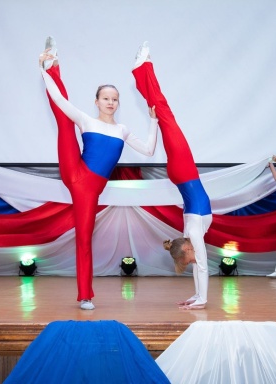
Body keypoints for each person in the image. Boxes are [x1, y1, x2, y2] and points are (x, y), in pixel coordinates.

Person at [38, 37, 158, 310]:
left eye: (115, 99)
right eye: (106, 98)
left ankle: (85, 296)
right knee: (64, 121)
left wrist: (153, 121)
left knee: (84, 238)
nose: (111, 102)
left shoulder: (122, 130)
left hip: (89, 189)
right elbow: (58, 99)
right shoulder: (86, 120)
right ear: (97, 101)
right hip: (75, 170)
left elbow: (149, 150)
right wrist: (42, 70)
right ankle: (53, 63)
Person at [132, 42, 212, 310]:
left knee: (165, 113)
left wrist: (201, 299)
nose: (192, 261)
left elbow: (202, 266)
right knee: (164, 114)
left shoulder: (193, 233)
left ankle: (144, 68)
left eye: (187, 259)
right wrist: (196, 298)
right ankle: (142, 69)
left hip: (184, 171)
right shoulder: (189, 232)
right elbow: (199, 265)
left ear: (186, 248)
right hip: (180, 173)